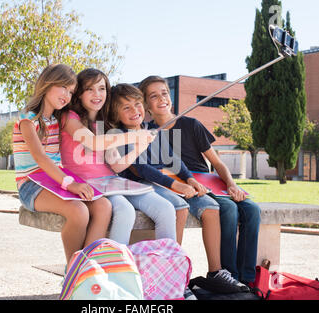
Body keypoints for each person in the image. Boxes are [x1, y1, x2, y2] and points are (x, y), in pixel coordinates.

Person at [107, 83, 248, 293]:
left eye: (137, 104)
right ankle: (171, 275)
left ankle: (199, 273)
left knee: (205, 207)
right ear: (116, 114)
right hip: (140, 184)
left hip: (158, 182)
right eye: (126, 108)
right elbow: (140, 169)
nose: (134, 111)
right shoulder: (120, 135)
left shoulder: (151, 131)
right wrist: (176, 185)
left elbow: (173, 159)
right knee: (179, 208)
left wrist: (189, 179)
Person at [139, 75, 261, 286]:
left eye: (165, 93)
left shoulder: (192, 125)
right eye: (154, 96)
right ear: (146, 104)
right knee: (229, 210)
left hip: (209, 181)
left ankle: (247, 279)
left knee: (252, 209)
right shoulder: (146, 133)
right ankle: (227, 275)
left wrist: (232, 185)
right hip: (181, 185)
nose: (162, 99)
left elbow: (217, 162)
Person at [61, 68, 177, 245]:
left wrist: (138, 148)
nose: (97, 94)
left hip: (111, 182)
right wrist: (135, 136)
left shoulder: (105, 123)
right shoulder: (69, 118)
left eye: (101, 88)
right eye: (89, 89)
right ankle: (115, 268)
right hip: (87, 184)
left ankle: (166, 267)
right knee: (125, 211)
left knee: (166, 209)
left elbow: (115, 166)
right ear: (79, 94)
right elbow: (92, 142)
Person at [12, 64, 112, 264]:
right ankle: (74, 271)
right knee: (79, 211)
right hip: (31, 184)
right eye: (63, 88)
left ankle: (86, 268)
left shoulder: (57, 120)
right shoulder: (27, 119)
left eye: (71, 91)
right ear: (47, 84)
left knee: (103, 206)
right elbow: (41, 158)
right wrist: (71, 184)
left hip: (55, 180)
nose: (67, 95)